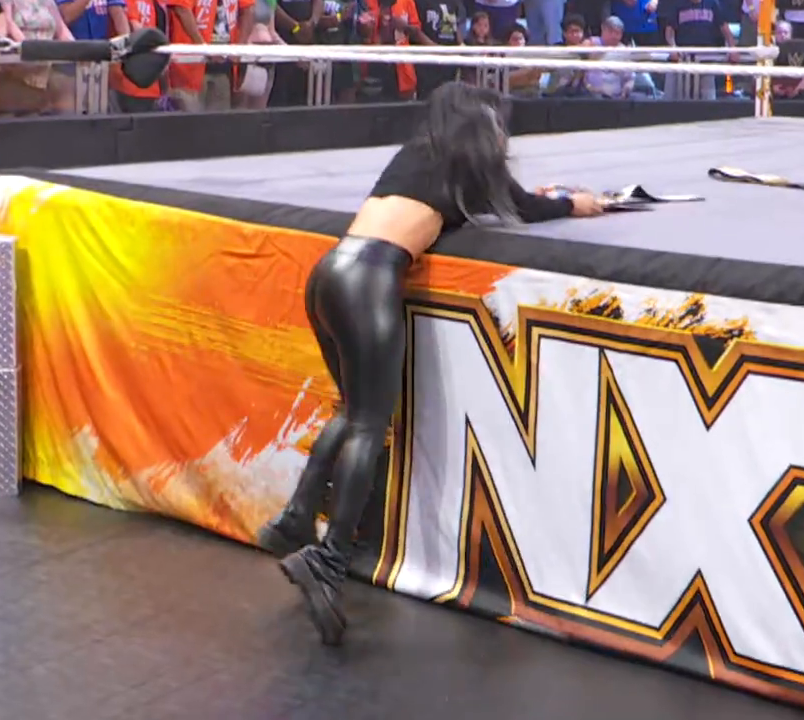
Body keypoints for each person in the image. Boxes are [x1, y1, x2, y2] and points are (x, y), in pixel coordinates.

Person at [259, 83, 605, 645]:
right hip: (370, 278)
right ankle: (328, 558)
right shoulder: (470, 161)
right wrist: (574, 204)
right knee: (369, 422)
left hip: (331, 271)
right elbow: (522, 207)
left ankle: (297, 516)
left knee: (351, 410)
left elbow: (475, 204)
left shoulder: (420, 153)